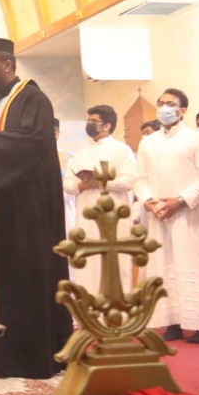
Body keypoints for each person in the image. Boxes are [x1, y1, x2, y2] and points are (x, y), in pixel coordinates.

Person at [0, 37, 71, 379]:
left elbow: (33, 145)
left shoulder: (33, 99)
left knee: (24, 282)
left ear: (8, 65)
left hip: (24, 214)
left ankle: (28, 357)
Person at [134, 88, 199, 344]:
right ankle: (172, 322)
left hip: (186, 211)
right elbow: (140, 178)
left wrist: (179, 200)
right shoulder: (147, 142)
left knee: (191, 263)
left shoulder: (196, 139)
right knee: (162, 264)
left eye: (170, 104)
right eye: (161, 103)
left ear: (182, 110)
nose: (163, 108)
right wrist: (149, 201)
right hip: (158, 212)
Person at [62, 104, 138, 294]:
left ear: (107, 125)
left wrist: (101, 182)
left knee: (114, 262)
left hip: (114, 216)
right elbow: (68, 185)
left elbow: (129, 181)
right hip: (86, 216)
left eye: (93, 121)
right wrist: (83, 185)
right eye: (88, 120)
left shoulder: (122, 150)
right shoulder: (80, 153)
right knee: (89, 263)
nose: (89, 124)